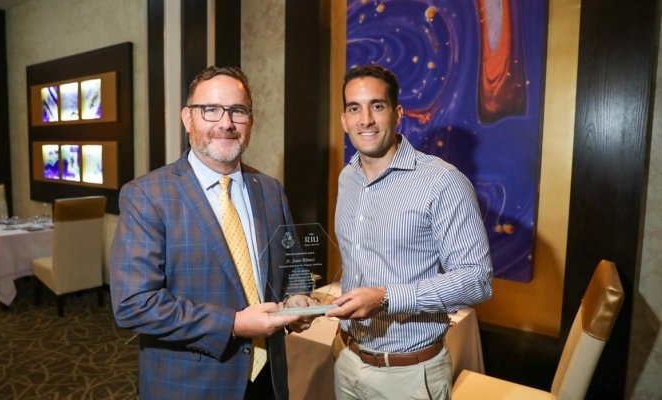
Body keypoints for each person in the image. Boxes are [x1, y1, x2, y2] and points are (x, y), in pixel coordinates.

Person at [109, 66, 313, 400]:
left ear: (251, 120)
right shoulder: (147, 195)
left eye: (238, 111)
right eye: (211, 110)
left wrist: (297, 300)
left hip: (267, 381)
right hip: (192, 385)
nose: (226, 123)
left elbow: (294, 270)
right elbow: (134, 304)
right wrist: (232, 324)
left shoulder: (271, 190)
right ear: (187, 119)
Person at [325, 65, 493, 399]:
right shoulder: (348, 178)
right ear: (344, 120)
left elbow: (478, 280)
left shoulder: (442, 182)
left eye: (377, 106)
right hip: (347, 360)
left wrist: (386, 297)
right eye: (354, 108)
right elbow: (362, 261)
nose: (365, 120)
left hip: (409, 375)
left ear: (397, 113)